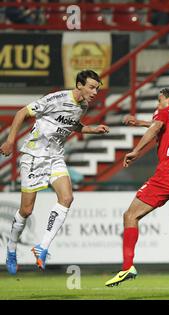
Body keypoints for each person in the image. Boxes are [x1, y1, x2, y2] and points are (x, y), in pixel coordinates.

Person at [0, 70, 109, 274]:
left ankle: (42, 246)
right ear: (79, 85)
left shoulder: (83, 106)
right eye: (91, 87)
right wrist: (10, 141)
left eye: (97, 88)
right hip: (34, 155)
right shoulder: (57, 98)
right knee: (26, 210)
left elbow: (71, 125)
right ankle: (12, 246)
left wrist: (92, 129)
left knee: (67, 198)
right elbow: (21, 113)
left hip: (55, 158)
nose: (95, 92)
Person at [105, 88, 169, 287]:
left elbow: (157, 127)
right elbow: (162, 125)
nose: (157, 105)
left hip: (168, 175)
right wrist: (140, 122)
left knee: (130, 216)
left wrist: (136, 151)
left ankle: (127, 267)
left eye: (159, 101)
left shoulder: (164, 113)